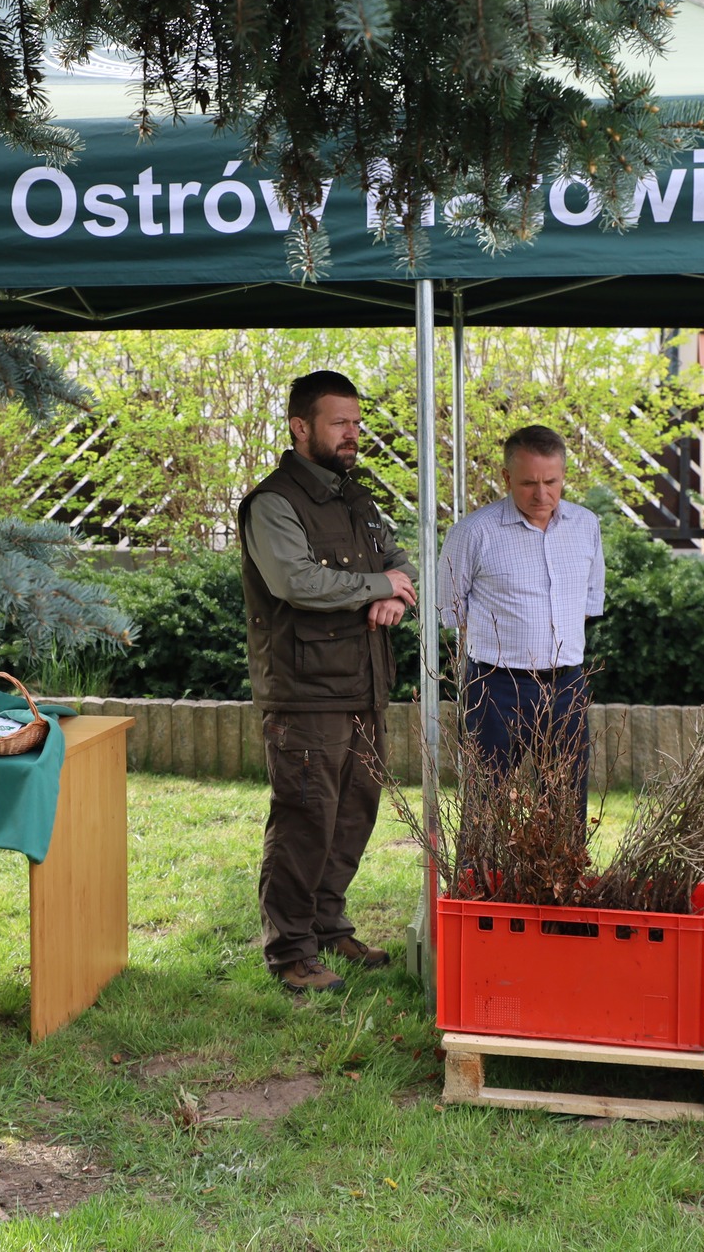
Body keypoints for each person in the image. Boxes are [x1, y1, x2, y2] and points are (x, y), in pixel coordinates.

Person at [237, 371, 418, 994]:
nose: (353, 434)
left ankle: (325, 922)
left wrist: (396, 596)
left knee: (355, 812)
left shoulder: (354, 495)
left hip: (363, 684)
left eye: (357, 422)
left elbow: (397, 560)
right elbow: (296, 582)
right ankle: (289, 949)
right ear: (300, 426)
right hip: (305, 689)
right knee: (306, 816)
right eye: (340, 422)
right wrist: (377, 588)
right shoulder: (274, 502)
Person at [437, 425, 605, 823]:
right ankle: (476, 884)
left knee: (566, 808)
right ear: (507, 478)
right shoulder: (473, 533)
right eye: (529, 483)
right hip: (496, 687)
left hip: (567, 685)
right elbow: (450, 610)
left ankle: (562, 883)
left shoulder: (586, 526)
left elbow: (586, 601)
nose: (542, 494)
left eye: (551, 481)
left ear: (564, 476)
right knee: (486, 806)